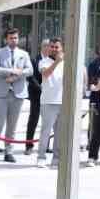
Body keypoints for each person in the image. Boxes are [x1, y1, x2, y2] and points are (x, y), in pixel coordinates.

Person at [0, 28, 34, 165]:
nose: (14, 40)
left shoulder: (24, 54)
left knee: (12, 125)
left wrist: (17, 74)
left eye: (16, 38)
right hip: (1, 92)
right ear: (5, 39)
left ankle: (9, 151)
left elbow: (30, 70)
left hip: (18, 93)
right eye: (11, 38)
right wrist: (11, 71)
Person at [37, 38, 68, 166]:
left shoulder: (66, 63)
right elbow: (46, 74)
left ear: (62, 48)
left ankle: (56, 158)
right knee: (46, 131)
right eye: (52, 47)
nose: (54, 49)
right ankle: (41, 157)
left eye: (57, 47)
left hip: (62, 101)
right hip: (48, 101)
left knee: (60, 132)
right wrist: (57, 62)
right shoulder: (43, 61)